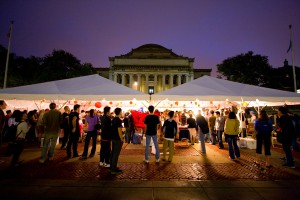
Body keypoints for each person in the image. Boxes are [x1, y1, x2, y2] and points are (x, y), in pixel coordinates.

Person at [110, 107, 124, 174]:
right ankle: (113, 168)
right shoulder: (118, 120)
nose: (122, 112)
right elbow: (119, 130)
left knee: (113, 152)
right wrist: (121, 139)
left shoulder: (113, 119)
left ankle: (112, 166)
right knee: (116, 153)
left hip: (113, 138)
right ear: (120, 112)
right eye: (121, 111)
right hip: (117, 138)